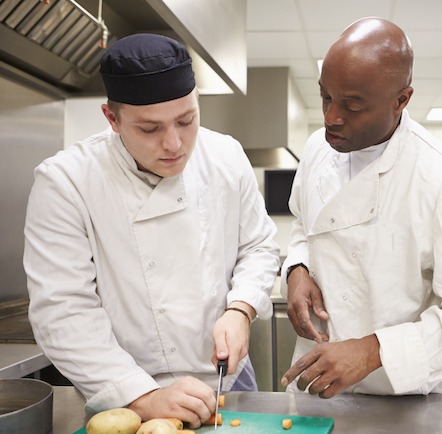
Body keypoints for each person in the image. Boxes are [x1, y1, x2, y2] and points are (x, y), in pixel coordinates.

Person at [23, 34, 280, 428]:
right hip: (124, 387)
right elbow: (63, 310)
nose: (174, 144)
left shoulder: (225, 156)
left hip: (227, 378)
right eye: (149, 129)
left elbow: (259, 246)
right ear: (112, 119)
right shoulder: (66, 182)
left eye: (186, 120)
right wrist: (143, 397)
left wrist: (241, 308)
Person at [279, 17, 442, 398]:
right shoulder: (319, 148)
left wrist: (373, 350)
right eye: (325, 97)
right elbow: (303, 222)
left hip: (404, 396)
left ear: (401, 100)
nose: (331, 117)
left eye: (352, 105)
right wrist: (298, 269)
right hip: (315, 384)